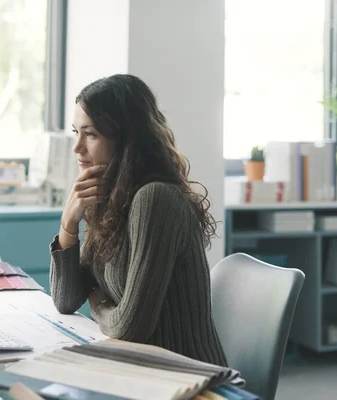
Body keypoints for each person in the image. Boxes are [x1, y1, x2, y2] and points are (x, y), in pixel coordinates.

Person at [49, 74, 228, 366]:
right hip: (137, 366)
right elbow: (65, 301)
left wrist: (97, 304)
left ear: (125, 136)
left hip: (184, 376)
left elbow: (131, 328)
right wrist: (69, 222)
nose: (77, 147)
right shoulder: (110, 197)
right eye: (76, 132)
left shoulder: (155, 199)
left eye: (90, 134)